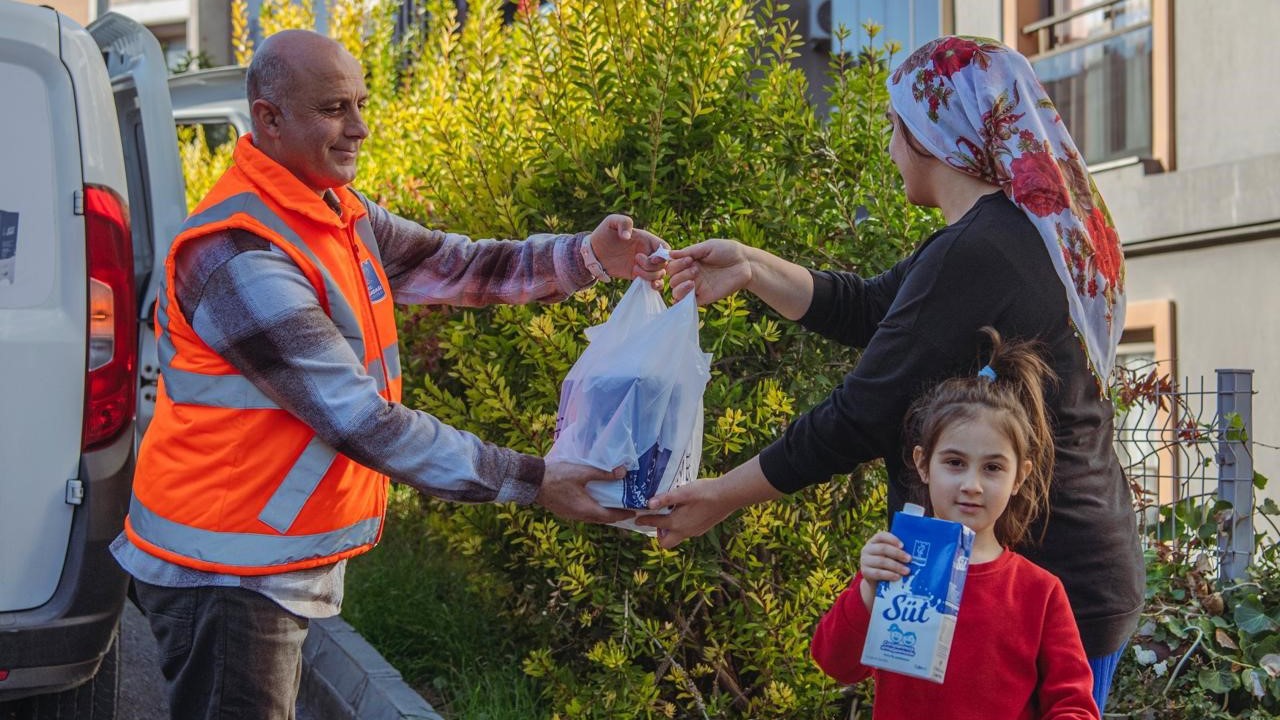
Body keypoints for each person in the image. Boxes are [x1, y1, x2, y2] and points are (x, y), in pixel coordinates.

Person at [110, 29, 666, 720]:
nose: (360, 129)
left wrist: (586, 257)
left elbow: (456, 264)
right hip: (226, 572)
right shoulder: (238, 251)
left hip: (258, 559)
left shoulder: (333, 212)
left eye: (361, 104)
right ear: (269, 118)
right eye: (336, 108)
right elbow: (358, 419)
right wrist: (532, 479)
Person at [638, 35, 1141, 711]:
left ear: (933, 133)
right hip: (1013, 559)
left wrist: (719, 496)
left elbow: (857, 415)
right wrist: (753, 268)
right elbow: (874, 308)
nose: (889, 148)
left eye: (895, 128)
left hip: (1041, 576)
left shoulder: (983, 249)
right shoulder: (1006, 232)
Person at [810, 328, 1100, 720]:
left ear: (1020, 477)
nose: (972, 485)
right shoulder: (896, 567)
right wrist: (866, 590)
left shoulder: (1040, 594)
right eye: (954, 463)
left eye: (993, 467)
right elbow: (836, 664)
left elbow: (1073, 706)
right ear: (922, 463)